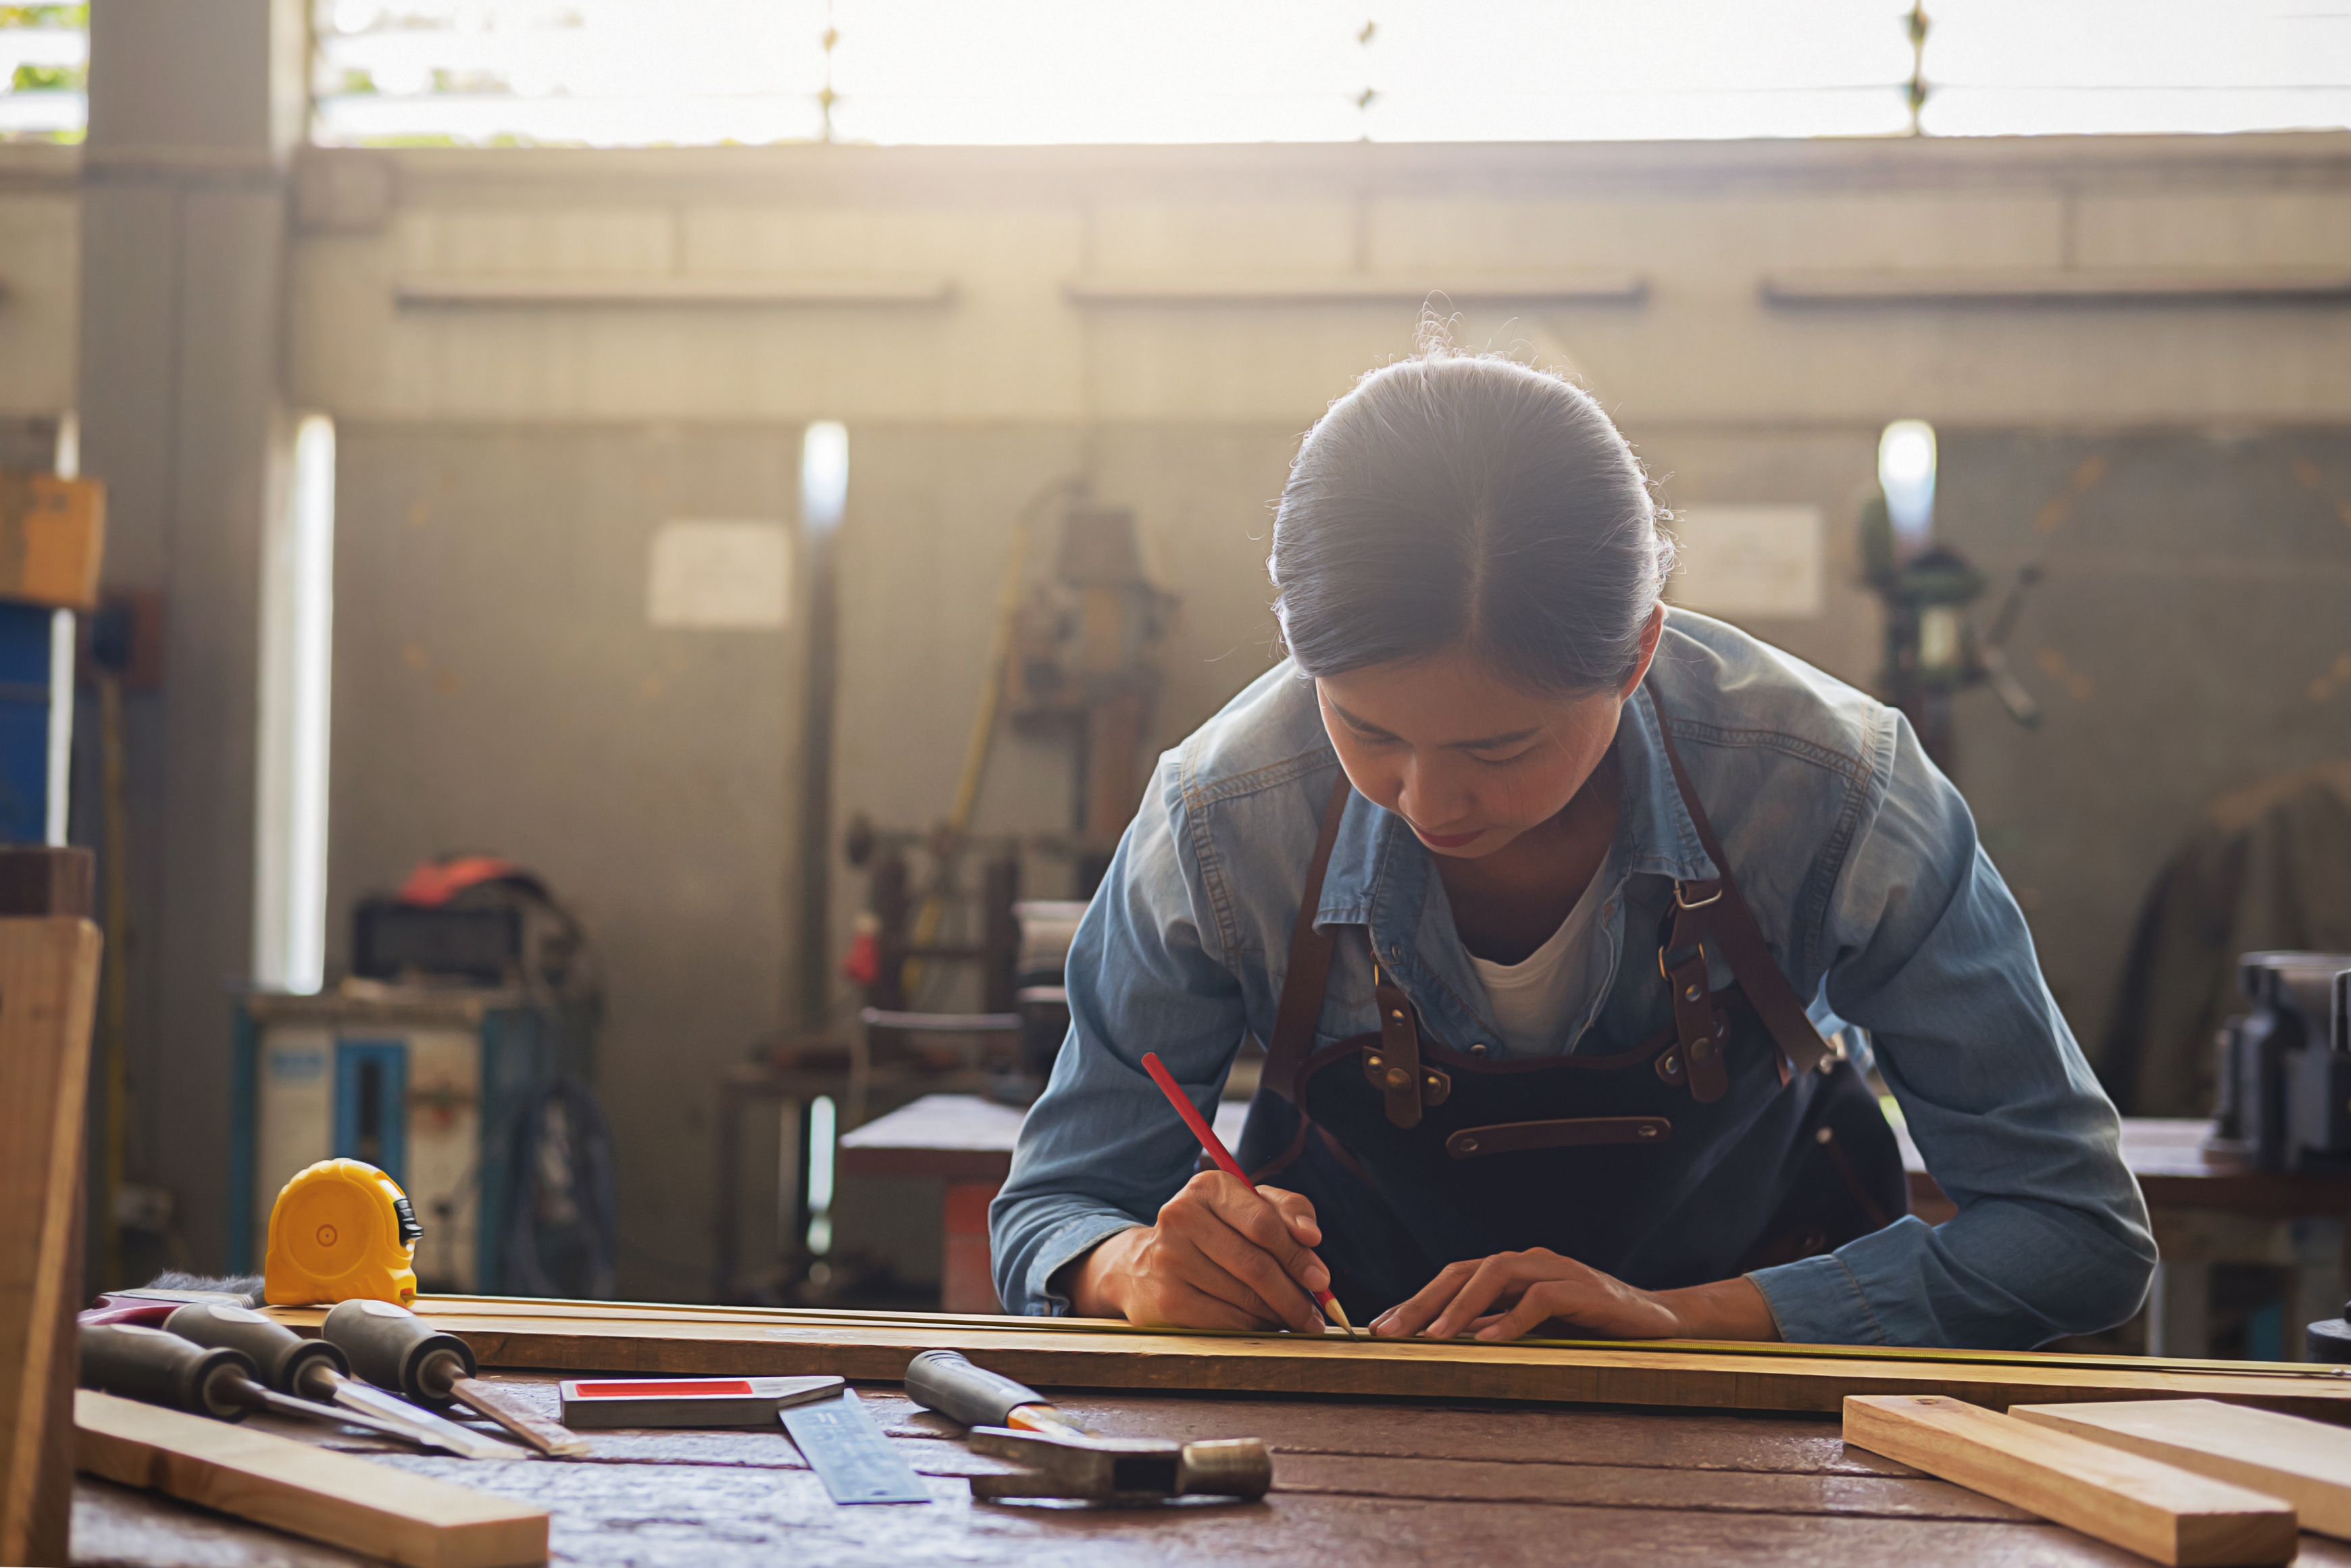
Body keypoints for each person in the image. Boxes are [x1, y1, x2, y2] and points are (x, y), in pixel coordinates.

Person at [989, 344, 2154, 1348]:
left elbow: (2075, 1231)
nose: (1428, 797)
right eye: (1368, 727)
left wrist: (1686, 1320)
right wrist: (1134, 1269)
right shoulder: (1220, 821)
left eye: (1501, 745)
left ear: (1638, 651)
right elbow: (1056, 1208)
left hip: (1763, 1421)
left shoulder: (1834, 795)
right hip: (1366, 1410)